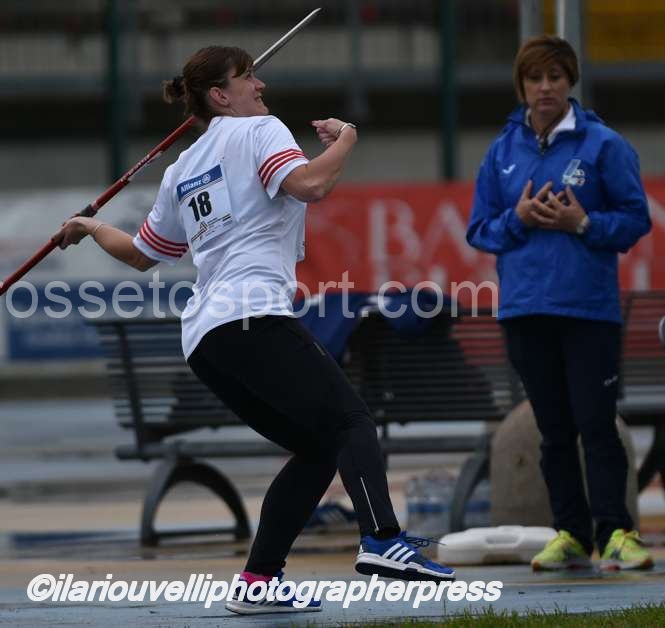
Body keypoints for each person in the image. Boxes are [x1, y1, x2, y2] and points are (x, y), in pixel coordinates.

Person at [55, 45, 455, 614]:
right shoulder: (261, 131)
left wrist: (92, 227)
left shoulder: (182, 169)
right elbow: (310, 185)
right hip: (252, 316)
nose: (260, 85)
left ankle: (259, 581)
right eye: (247, 77)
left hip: (206, 341)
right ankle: (383, 541)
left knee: (318, 447)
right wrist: (346, 140)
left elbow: (142, 254)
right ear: (220, 95)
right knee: (350, 421)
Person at [465, 35, 653, 572]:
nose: (545, 87)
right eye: (535, 78)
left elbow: (636, 219)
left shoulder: (604, 145)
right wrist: (518, 219)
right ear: (521, 86)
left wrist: (584, 223)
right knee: (553, 433)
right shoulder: (502, 152)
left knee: (597, 425)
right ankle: (571, 534)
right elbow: (479, 229)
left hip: (589, 310)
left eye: (555, 77)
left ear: (571, 81)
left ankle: (616, 533)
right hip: (525, 311)